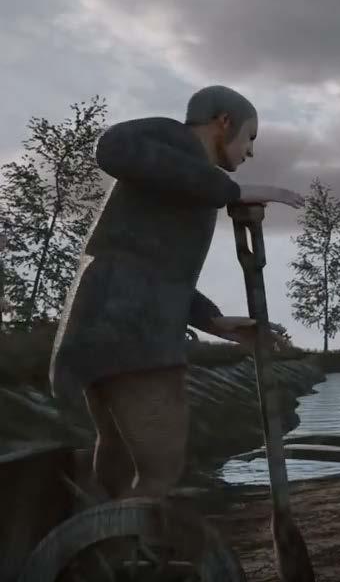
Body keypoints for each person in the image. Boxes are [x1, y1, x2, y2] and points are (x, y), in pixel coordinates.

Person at [49, 85, 304, 501]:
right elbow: (112, 147)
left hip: (108, 327)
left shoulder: (186, 183)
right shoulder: (171, 141)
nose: (251, 151)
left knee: (118, 459)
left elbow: (155, 269)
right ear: (224, 123)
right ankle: (134, 555)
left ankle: (102, 553)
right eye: (250, 137)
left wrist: (214, 321)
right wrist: (234, 192)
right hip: (133, 337)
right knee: (160, 464)